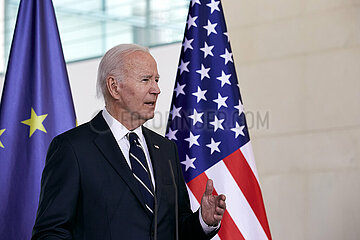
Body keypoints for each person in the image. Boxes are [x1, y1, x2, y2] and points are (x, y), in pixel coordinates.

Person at [32, 44, 226, 240]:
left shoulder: (166, 149)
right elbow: (49, 233)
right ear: (114, 87)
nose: (156, 89)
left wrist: (203, 221)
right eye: (146, 80)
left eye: (157, 80)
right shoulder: (73, 148)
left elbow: (175, 229)